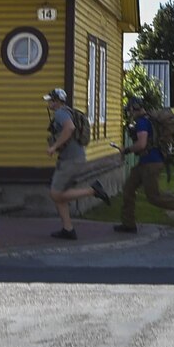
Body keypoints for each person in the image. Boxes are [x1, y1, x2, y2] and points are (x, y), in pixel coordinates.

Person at [116, 96, 174, 234]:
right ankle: (128, 224)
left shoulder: (142, 122)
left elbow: (142, 144)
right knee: (128, 189)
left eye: (129, 110)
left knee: (154, 197)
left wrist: (126, 150)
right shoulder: (147, 120)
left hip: (151, 163)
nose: (129, 113)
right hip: (145, 162)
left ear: (134, 108)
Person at [44, 87, 108, 239]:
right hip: (73, 159)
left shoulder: (60, 113)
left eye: (51, 100)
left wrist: (54, 146)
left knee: (56, 193)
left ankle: (93, 190)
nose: (48, 103)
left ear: (57, 101)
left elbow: (70, 128)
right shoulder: (67, 111)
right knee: (60, 195)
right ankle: (68, 229)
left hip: (70, 161)